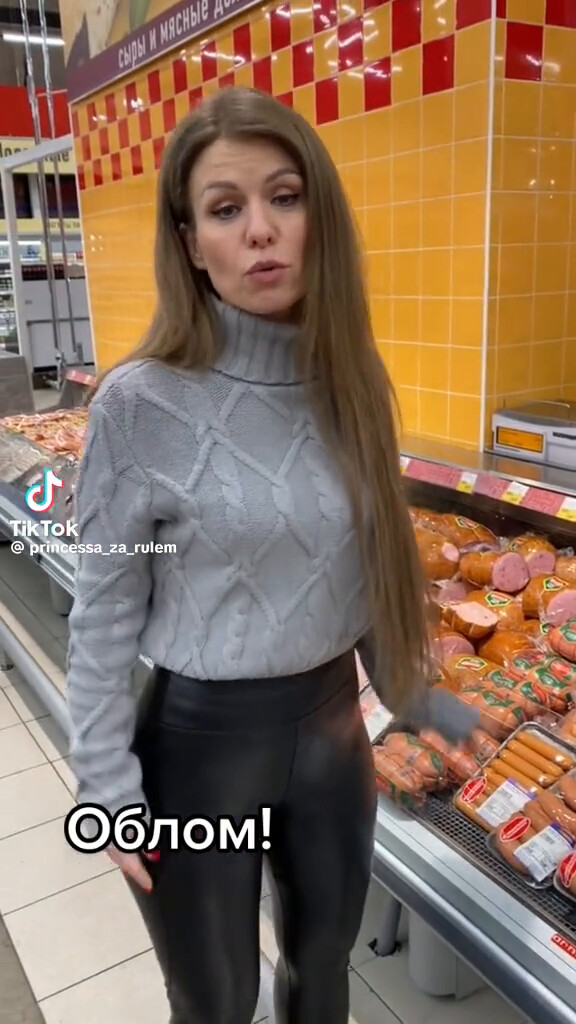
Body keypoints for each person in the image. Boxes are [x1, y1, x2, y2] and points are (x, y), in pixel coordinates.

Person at [65, 87, 480, 1024]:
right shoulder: (139, 405)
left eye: (285, 198)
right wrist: (105, 787)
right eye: (226, 208)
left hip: (333, 740)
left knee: (321, 975)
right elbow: (103, 611)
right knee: (217, 1000)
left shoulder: (353, 381)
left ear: (317, 215)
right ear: (189, 242)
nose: (260, 229)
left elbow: (365, 572)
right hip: (198, 754)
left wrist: (415, 695)